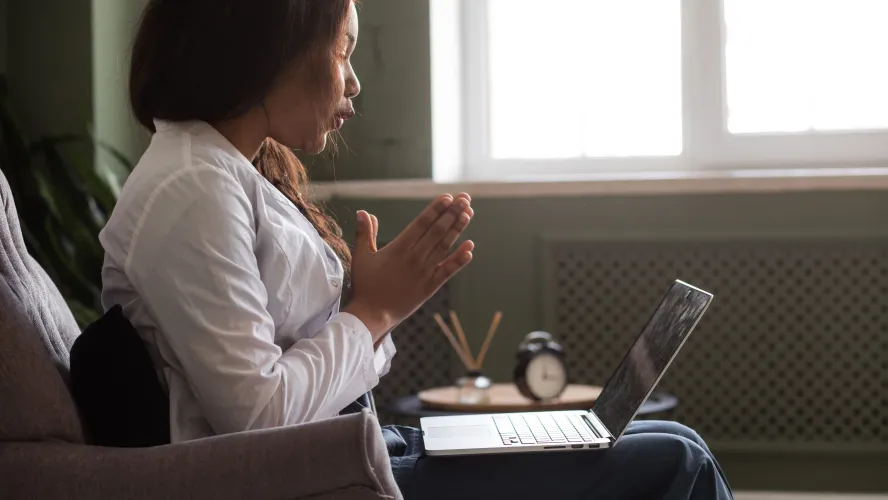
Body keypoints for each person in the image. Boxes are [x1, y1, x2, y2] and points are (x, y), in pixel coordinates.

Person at [100, 1, 734, 498]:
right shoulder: (192, 188)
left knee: (671, 437)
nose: (352, 82)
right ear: (272, 48)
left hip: (354, 450)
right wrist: (375, 310)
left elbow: (300, 366)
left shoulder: (225, 173)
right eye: (342, 50)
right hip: (314, 478)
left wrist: (366, 305)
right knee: (677, 461)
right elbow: (259, 420)